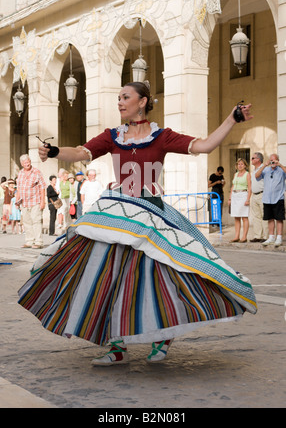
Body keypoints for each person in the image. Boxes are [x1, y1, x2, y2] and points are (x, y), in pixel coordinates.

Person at [18, 82, 257, 367]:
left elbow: (203, 146)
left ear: (142, 102)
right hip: (118, 212)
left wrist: (232, 118)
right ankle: (117, 347)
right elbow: (81, 152)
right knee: (108, 276)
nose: (119, 102)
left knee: (159, 277)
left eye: (125, 97)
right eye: (118, 98)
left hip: (151, 212)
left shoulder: (162, 136)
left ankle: (162, 337)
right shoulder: (113, 136)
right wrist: (55, 151)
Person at [255, 153, 286, 247]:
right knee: (270, 218)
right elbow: (257, 176)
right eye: (271, 160)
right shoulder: (266, 169)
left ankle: (279, 237)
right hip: (267, 198)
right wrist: (264, 165)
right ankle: (271, 237)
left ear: (277, 160)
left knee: (279, 219)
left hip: (278, 198)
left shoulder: (281, 170)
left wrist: (279, 164)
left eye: (274, 160)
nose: (272, 162)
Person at [15, 154, 46, 249]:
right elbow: (19, 188)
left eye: (28, 161)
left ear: (30, 161)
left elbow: (42, 187)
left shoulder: (36, 172)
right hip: (24, 202)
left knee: (36, 221)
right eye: (25, 162)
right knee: (27, 222)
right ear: (21, 164)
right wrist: (17, 201)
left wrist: (42, 202)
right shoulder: (20, 173)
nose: (27, 163)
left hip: (35, 201)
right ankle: (29, 241)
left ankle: (38, 242)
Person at [228, 158, 251, 243]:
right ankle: (236, 236)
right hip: (235, 196)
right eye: (238, 164)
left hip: (243, 195)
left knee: (244, 217)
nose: (240, 166)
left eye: (241, 164)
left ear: (245, 165)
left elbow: (249, 187)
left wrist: (248, 199)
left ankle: (244, 237)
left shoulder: (247, 174)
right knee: (236, 217)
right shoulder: (236, 174)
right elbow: (233, 186)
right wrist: (230, 198)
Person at [249, 152, 268, 243]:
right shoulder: (254, 170)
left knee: (264, 216)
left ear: (258, 160)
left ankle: (266, 236)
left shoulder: (264, 169)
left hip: (262, 194)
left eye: (253, 158)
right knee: (256, 217)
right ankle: (257, 236)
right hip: (254, 195)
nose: (251, 159)